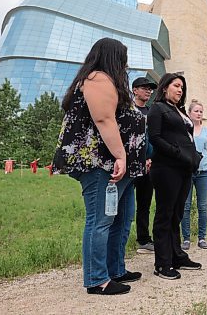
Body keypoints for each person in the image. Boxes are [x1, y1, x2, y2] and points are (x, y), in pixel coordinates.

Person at [52, 38, 146, 295]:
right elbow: (104, 119)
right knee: (100, 220)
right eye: (123, 60)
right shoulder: (97, 78)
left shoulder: (109, 82)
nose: (126, 66)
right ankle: (97, 279)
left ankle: (115, 269)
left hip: (119, 167)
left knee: (122, 219)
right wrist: (121, 156)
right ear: (113, 57)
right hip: (101, 163)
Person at [147, 73, 203, 280]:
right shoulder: (157, 108)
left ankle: (177, 255)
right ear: (164, 87)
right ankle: (162, 263)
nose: (180, 90)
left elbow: (186, 137)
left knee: (177, 214)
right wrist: (178, 153)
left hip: (184, 169)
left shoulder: (178, 111)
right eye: (176, 86)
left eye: (182, 87)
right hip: (166, 168)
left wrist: (193, 156)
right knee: (165, 214)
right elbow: (155, 137)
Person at [181, 99, 207, 250]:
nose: (199, 113)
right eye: (196, 111)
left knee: (203, 206)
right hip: (186, 172)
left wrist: (206, 161)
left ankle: (202, 238)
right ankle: (186, 238)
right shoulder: (184, 130)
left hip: (204, 172)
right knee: (185, 205)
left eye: (201, 111)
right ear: (189, 113)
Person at [131, 77, 157, 254]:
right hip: (129, 164)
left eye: (150, 89)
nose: (148, 91)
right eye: (144, 88)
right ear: (134, 90)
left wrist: (150, 158)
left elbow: (154, 138)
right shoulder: (127, 110)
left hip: (148, 165)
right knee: (122, 203)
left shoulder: (152, 112)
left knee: (144, 203)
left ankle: (143, 239)